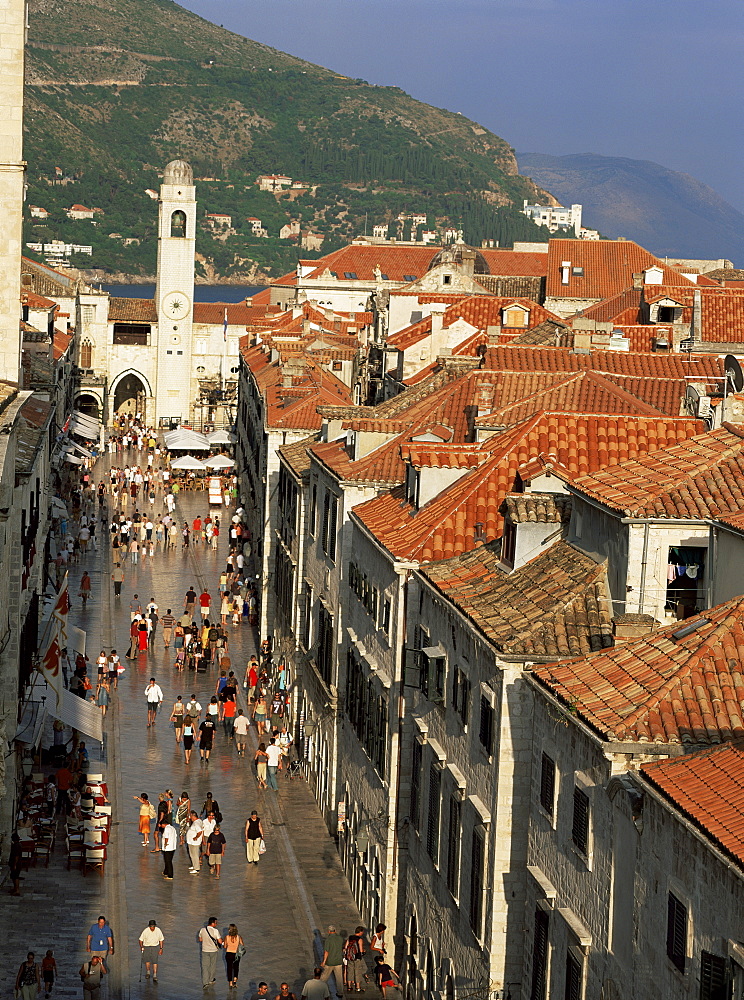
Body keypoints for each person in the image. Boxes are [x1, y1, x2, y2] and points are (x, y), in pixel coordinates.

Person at [321, 925, 345, 1000]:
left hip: (330, 961)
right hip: (338, 961)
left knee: (324, 977)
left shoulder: (328, 940)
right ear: (335, 930)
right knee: (339, 978)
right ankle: (340, 993)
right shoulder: (340, 938)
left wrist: (323, 962)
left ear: (328, 931)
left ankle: (318, 989)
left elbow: (326, 952)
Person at [198, 917, 223, 988]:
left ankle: (205, 982)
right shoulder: (215, 931)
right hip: (213, 950)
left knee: (205, 966)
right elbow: (220, 941)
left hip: (205, 950)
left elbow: (200, 939)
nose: (216, 924)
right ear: (213, 923)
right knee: (212, 965)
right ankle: (211, 979)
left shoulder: (202, 930)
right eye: (216, 922)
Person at [345, 929, 367, 993]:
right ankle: (357, 987)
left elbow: (346, 947)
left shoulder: (350, 938)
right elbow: (360, 950)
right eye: (362, 932)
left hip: (350, 957)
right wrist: (364, 951)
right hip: (357, 957)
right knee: (357, 972)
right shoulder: (359, 939)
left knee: (350, 971)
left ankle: (349, 986)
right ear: (360, 932)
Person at [223, 924, 244, 989]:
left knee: (229, 968)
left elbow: (225, 946)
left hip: (229, 954)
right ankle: (235, 979)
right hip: (236, 954)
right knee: (236, 967)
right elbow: (242, 945)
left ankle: (230, 982)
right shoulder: (239, 937)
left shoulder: (227, 937)